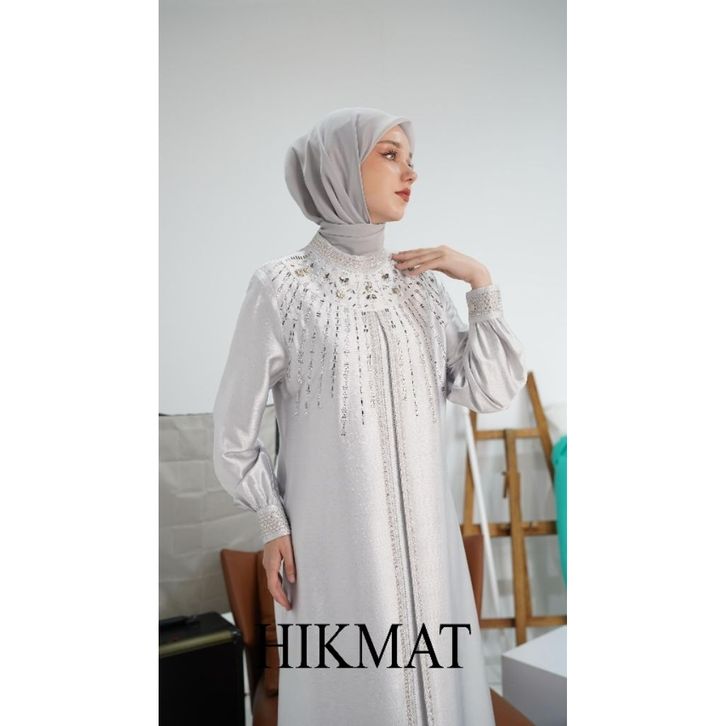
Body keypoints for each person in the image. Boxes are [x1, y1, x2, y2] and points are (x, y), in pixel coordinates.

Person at [212, 107, 527, 726]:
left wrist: (478, 280)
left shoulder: (422, 287)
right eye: (389, 154)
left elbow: (490, 390)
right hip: (333, 554)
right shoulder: (282, 288)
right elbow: (233, 434)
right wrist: (272, 523)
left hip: (430, 557)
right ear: (336, 168)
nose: (410, 171)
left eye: (410, 158)